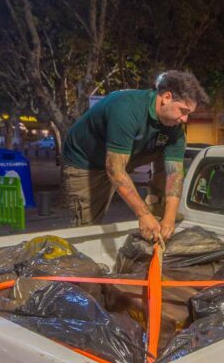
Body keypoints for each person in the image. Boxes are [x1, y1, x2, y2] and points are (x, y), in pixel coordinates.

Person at [62, 70, 208, 241]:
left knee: (172, 155)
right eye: (183, 111)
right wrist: (143, 214)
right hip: (86, 161)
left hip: (128, 153)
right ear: (166, 97)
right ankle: (145, 214)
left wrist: (169, 219)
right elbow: (115, 170)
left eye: (189, 114)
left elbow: (174, 175)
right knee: (87, 228)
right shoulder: (127, 108)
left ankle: (156, 204)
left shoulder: (175, 129)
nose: (185, 119)